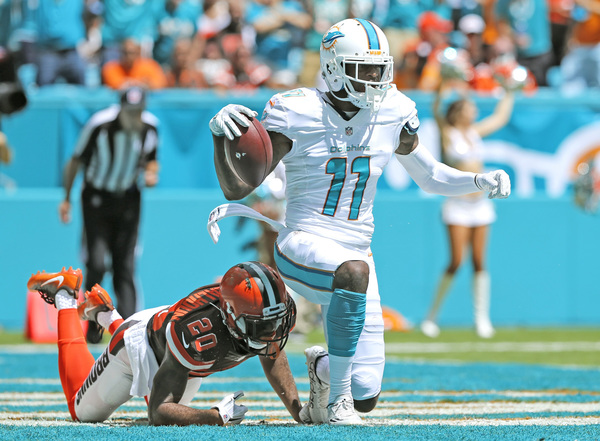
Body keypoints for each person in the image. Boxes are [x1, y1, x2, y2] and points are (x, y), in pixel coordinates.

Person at [207, 18, 511, 425]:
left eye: (380, 70)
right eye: (364, 70)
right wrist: (221, 139)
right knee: (352, 273)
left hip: (357, 252)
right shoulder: (298, 110)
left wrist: (476, 181)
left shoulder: (393, 110)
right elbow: (237, 189)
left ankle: (324, 372)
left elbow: (429, 175)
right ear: (333, 68)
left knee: (366, 391)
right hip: (302, 242)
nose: (375, 80)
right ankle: (337, 403)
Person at [26, 262, 302, 425]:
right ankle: (64, 294)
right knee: (82, 412)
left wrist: (299, 412)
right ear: (230, 316)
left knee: (176, 413)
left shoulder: (264, 314)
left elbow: (272, 352)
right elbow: (158, 411)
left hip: (172, 343)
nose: (272, 331)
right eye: (261, 325)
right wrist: (214, 416)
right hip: (139, 347)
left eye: (274, 322)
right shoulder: (195, 336)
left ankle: (105, 313)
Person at [59, 86, 159, 344]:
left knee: (125, 265)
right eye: (130, 112)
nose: (134, 117)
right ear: (120, 109)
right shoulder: (100, 125)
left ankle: (129, 333)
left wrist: (151, 173)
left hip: (128, 199)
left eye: (138, 111)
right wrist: (66, 198)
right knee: (96, 262)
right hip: (97, 198)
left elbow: (151, 159)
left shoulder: (150, 127)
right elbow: (76, 160)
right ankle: (93, 328)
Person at [420, 79, 515, 339]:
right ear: (458, 112)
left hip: (481, 205)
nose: (474, 111)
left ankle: (482, 319)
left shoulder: (474, 132)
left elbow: (500, 118)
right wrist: (443, 82)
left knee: (480, 262)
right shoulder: (448, 133)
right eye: (469, 107)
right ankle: (432, 316)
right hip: (457, 205)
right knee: (456, 261)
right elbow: (436, 109)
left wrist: (510, 91)